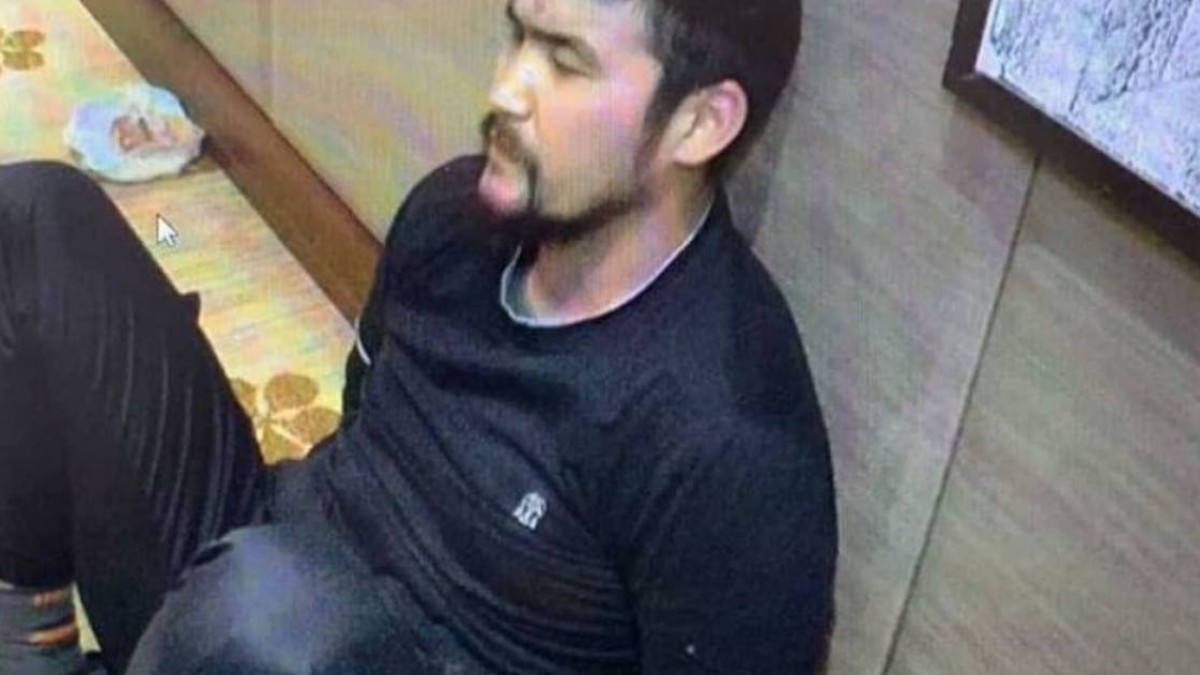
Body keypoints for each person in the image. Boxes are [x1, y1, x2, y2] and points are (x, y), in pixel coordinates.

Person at [0, 0, 837, 672]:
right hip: (260, 574)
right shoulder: (454, 216)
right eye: (517, 34)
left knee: (265, 619)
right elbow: (356, 422)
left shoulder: (732, 441)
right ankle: (35, 644)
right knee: (33, 219)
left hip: (302, 628)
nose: (507, 89)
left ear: (701, 123)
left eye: (565, 60)